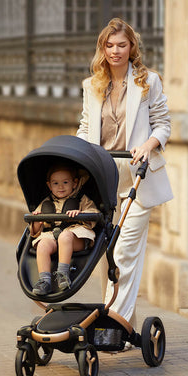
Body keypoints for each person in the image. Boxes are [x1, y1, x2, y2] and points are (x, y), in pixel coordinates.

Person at [77, 17, 173, 332]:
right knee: (107, 252)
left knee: (124, 249)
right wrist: (76, 155)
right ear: (102, 49)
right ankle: (121, 315)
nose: (115, 51)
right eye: (109, 45)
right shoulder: (91, 86)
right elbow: (86, 127)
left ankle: (112, 323)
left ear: (132, 47)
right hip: (103, 176)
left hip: (138, 176)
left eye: (122, 44)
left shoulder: (149, 81)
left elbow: (163, 124)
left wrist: (148, 144)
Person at [31, 162, 99, 296]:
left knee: (65, 236)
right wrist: (37, 221)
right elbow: (34, 231)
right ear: (49, 185)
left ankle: (63, 274)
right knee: (43, 244)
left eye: (65, 182)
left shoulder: (81, 199)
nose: (60, 186)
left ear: (74, 183)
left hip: (75, 236)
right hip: (52, 235)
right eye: (55, 183)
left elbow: (94, 215)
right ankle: (44, 280)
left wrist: (80, 214)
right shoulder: (46, 202)